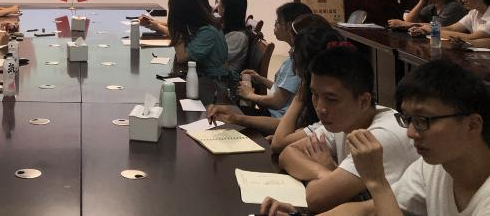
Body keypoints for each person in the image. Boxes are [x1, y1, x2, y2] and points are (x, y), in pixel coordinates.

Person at [265, 60, 490, 216]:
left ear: (472, 125)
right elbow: (368, 209)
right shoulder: (432, 168)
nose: (411, 133)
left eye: (423, 120)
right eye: (408, 120)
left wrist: (376, 181)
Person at [273, 45, 418, 214]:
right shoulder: (344, 119)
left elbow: (315, 199)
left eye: (331, 99)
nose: (320, 108)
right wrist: (324, 172)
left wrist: (325, 177)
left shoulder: (382, 135)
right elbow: (287, 154)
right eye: (315, 95)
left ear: (364, 101)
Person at [209, 23, 342, 139]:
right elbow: (284, 126)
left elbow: (281, 137)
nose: (290, 52)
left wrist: (242, 110)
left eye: (294, 48)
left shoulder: (311, 96)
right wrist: (236, 117)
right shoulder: (306, 87)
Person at [233, 2, 312, 120]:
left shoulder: (296, 62)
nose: (275, 25)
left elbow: (277, 102)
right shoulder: (295, 56)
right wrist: (261, 79)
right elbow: (283, 90)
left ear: (289, 27)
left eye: (278, 22)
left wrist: (250, 95)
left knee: (230, 111)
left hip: (275, 118)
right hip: (274, 114)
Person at [167, 0, 232, 80]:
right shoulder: (199, 26)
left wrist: (176, 27)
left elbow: (181, 57)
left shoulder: (208, 31)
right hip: (205, 75)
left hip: (215, 80)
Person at [408, 0, 490, 43]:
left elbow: (471, 37)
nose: (463, 0)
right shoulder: (474, 13)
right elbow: (451, 28)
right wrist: (424, 29)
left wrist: (433, 30)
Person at [216, 0, 250, 73]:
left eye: (219, 2)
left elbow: (217, 59)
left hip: (224, 77)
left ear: (226, 8)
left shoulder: (238, 36)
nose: (217, 5)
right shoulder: (226, 28)